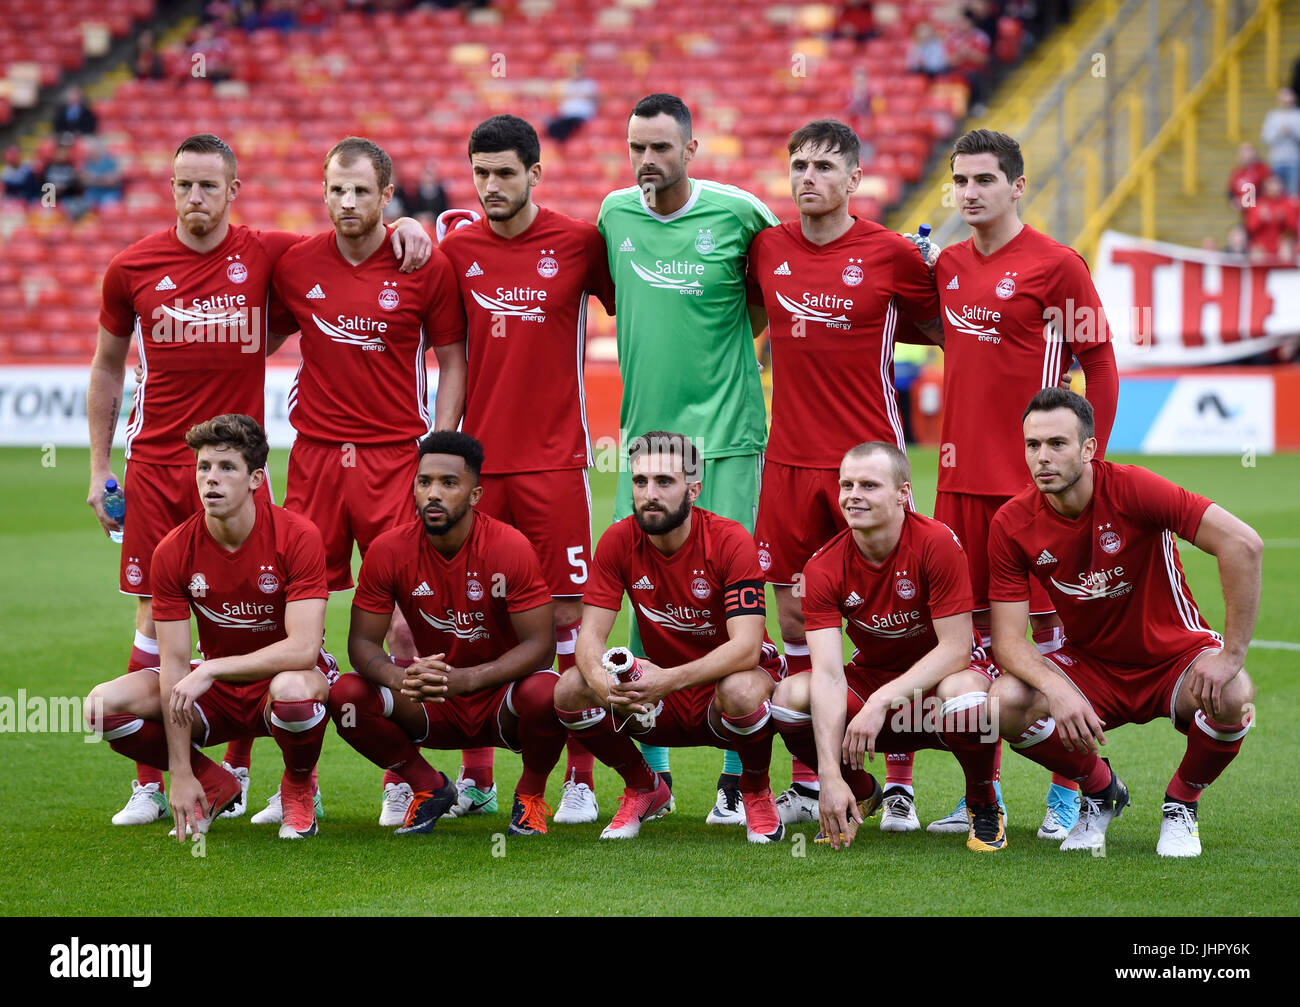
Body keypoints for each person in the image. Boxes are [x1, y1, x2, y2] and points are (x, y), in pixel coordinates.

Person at [88, 132, 430, 826]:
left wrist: (407, 225)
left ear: (234, 191)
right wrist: (99, 466)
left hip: (240, 466)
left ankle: (265, 774)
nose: (195, 198)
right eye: (184, 184)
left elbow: (347, 232)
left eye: (209, 185)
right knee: (154, 615)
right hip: (156, 462)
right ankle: (156, 781)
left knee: (267, 610)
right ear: (171, 186)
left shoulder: (266, 251)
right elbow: (104, 365)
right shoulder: (131, 266)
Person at [746, 119, 943, 832]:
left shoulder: (891, 255)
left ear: (855, 179)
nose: (808, 176)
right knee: (797, 613)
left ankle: (898, 781)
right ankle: (810, 773)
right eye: (798, 163)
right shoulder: (767, 247)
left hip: (869, 461)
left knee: (893, 619)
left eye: (825, 166)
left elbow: (942, 326)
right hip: (790, 460)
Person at [924, 128, 1119, 838]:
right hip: (957, 488)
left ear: (1016, 186)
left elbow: (1099, 358)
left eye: (983, 180)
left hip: (1030, 494)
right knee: (973, 645)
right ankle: (987, 794)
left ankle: (1072, 790)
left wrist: (1089, 455)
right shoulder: (944, 265)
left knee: (1046, 645)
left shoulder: (1056, 266)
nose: (969, 193)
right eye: (960, 181)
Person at [269, 136, 466, 825]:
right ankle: (300, 778)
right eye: (335, 190)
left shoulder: (421, 261)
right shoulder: (294, 263)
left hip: (393, 457)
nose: (346, 203)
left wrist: (437, 454)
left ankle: (404, 771)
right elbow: (251, 332)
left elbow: (451, 358)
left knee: (409, 626)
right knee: (296, 619)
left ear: (387, 196)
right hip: (317, 456)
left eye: (361, 191)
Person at [597, 93, 779, 824]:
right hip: (645, 441)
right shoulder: (615, 215)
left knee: (729, 599)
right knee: (645, 602)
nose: (647, 161)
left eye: (661, 148)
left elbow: (769, 298)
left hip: (727, 435)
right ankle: (656, 773)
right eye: (637, 147)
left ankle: (739, 770)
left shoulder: (738, 212)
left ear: (690, 148)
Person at [987, 389, 1260, 857]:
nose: (1042, 458)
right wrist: (1057, 690)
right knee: (1005, 702)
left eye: (1058, 443)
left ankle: (1182, 803)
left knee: (1233, 693)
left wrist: (1232, 656)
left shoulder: (1134, 488)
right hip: (1092, 666)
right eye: (1033, 445)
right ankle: (1101, 790)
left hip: (1175, 657)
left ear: (1089, 448)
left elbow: (1243, 544)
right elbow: (1008, 642)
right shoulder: (1012, 522)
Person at [438, 114, 616, 825]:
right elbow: (447, 353)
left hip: (555, 463)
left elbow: (637, 305)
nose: (491, 186)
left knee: (569, 616)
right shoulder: (456, 250)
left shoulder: (578, 243)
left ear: (536, 173)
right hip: (478, 468)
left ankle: (578, 778)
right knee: (469, 615)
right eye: (481, 173)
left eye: (505, 172)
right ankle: (476, 774)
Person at [85, 414, 337, 841]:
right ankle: (214, 783)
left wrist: (214, 669)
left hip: (282, 680)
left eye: (226, 468)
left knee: (294, 694)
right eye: (204, 467)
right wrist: (181, 772)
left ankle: (297, 788)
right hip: (217, 690)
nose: (211, 479)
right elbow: (175, 663)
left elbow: (303, 650)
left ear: (256, 478)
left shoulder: (298, 536)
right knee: (100, 707)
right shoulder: (172, 550)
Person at [553, 432, 786, 843]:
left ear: (693, 489)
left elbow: (748, 647)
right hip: (661, 696)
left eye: (664, 481)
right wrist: (602, 684)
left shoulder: (731, 541)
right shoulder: (617, 541)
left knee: (742, 690)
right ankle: (644, 787)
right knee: (571, 687)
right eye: (640, 482)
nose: (649, 494)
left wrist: (667, 679)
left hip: (719, 691)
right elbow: (590, 636)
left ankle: (754, 791)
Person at [770, 442, 1003, 852]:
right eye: (847, 484)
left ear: (902, 493)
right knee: (790, 696)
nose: (853, 495)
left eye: (869, 485)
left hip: (939, 687)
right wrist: (828, 776)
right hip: (875, 682)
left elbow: (955, 650)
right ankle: (858, 791)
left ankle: (983, 804)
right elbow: (826, 673)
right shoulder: (822, 566)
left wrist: (880, 702)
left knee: (965, 696)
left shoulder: (936, 542)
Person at [331, 431, 565, 837]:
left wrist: (470, 678)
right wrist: (399, 677)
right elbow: (362, 645)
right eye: (425, 482)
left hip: (500, 700)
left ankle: (530, 797)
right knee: (346, 697)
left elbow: (541, 648)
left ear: (475, 495)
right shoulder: (389, 551)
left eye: (448, 483)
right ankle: (428, 786)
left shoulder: (509, 546)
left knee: (549, 693)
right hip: (432, 697)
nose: (433, 494)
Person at [1260, 87, 1300, 197]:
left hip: (1295, 161)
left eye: (1288, 96)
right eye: (1283, 96)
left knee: (1293, 195)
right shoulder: (1272, 116)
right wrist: (1279, 133)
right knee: (1275, 194)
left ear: (1293, 98)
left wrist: (1292, 132)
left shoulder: (1298, 115)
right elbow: (1265, 139)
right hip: (1276, 161)